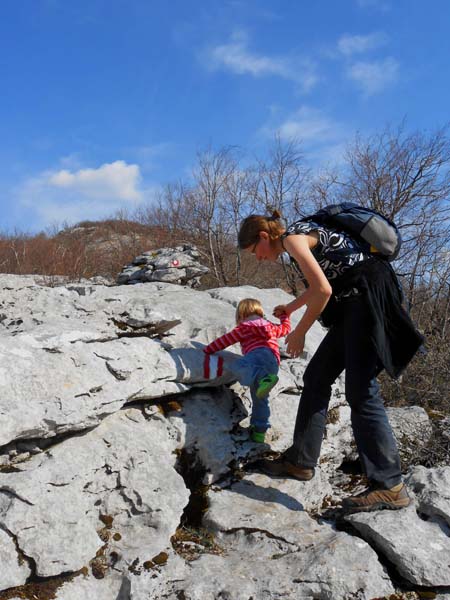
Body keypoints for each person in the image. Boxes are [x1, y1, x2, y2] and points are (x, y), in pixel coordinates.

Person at [238, 210, 424, 513]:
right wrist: (292, 306)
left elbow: (323, 291)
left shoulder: (294, 239)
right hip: (354, 305)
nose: (258, 259)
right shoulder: (298, 235)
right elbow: (320, 285)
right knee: (317, 377)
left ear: (263, 237)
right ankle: (300, 461)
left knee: (361, 392)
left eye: (254, 252)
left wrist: (299, 332)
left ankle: (390, 485)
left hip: (366, 303)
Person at [204, 298, 291, 443]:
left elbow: (225, 341)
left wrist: (207, 350)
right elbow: (286, 329)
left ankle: (264, 379)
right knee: (260, 399)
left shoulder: (244, 328)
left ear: (240, 315)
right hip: (273, 362)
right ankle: (259, 432)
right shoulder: (270, 325)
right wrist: (284, 316)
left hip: (257, 356)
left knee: (235, 366)